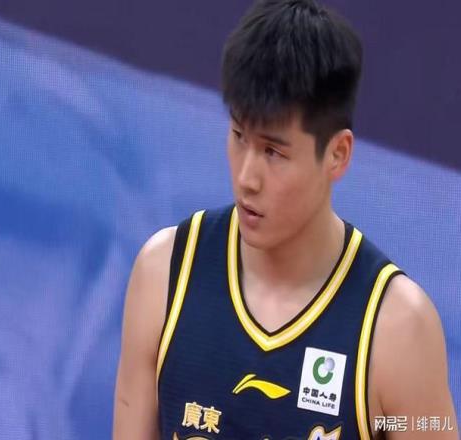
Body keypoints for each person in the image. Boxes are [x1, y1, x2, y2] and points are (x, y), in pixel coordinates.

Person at [113, 0, 459, 438]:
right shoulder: (165, 274)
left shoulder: (397, 330)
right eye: (238, 135)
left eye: (273, 152)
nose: (246, 178)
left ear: (337, 155)